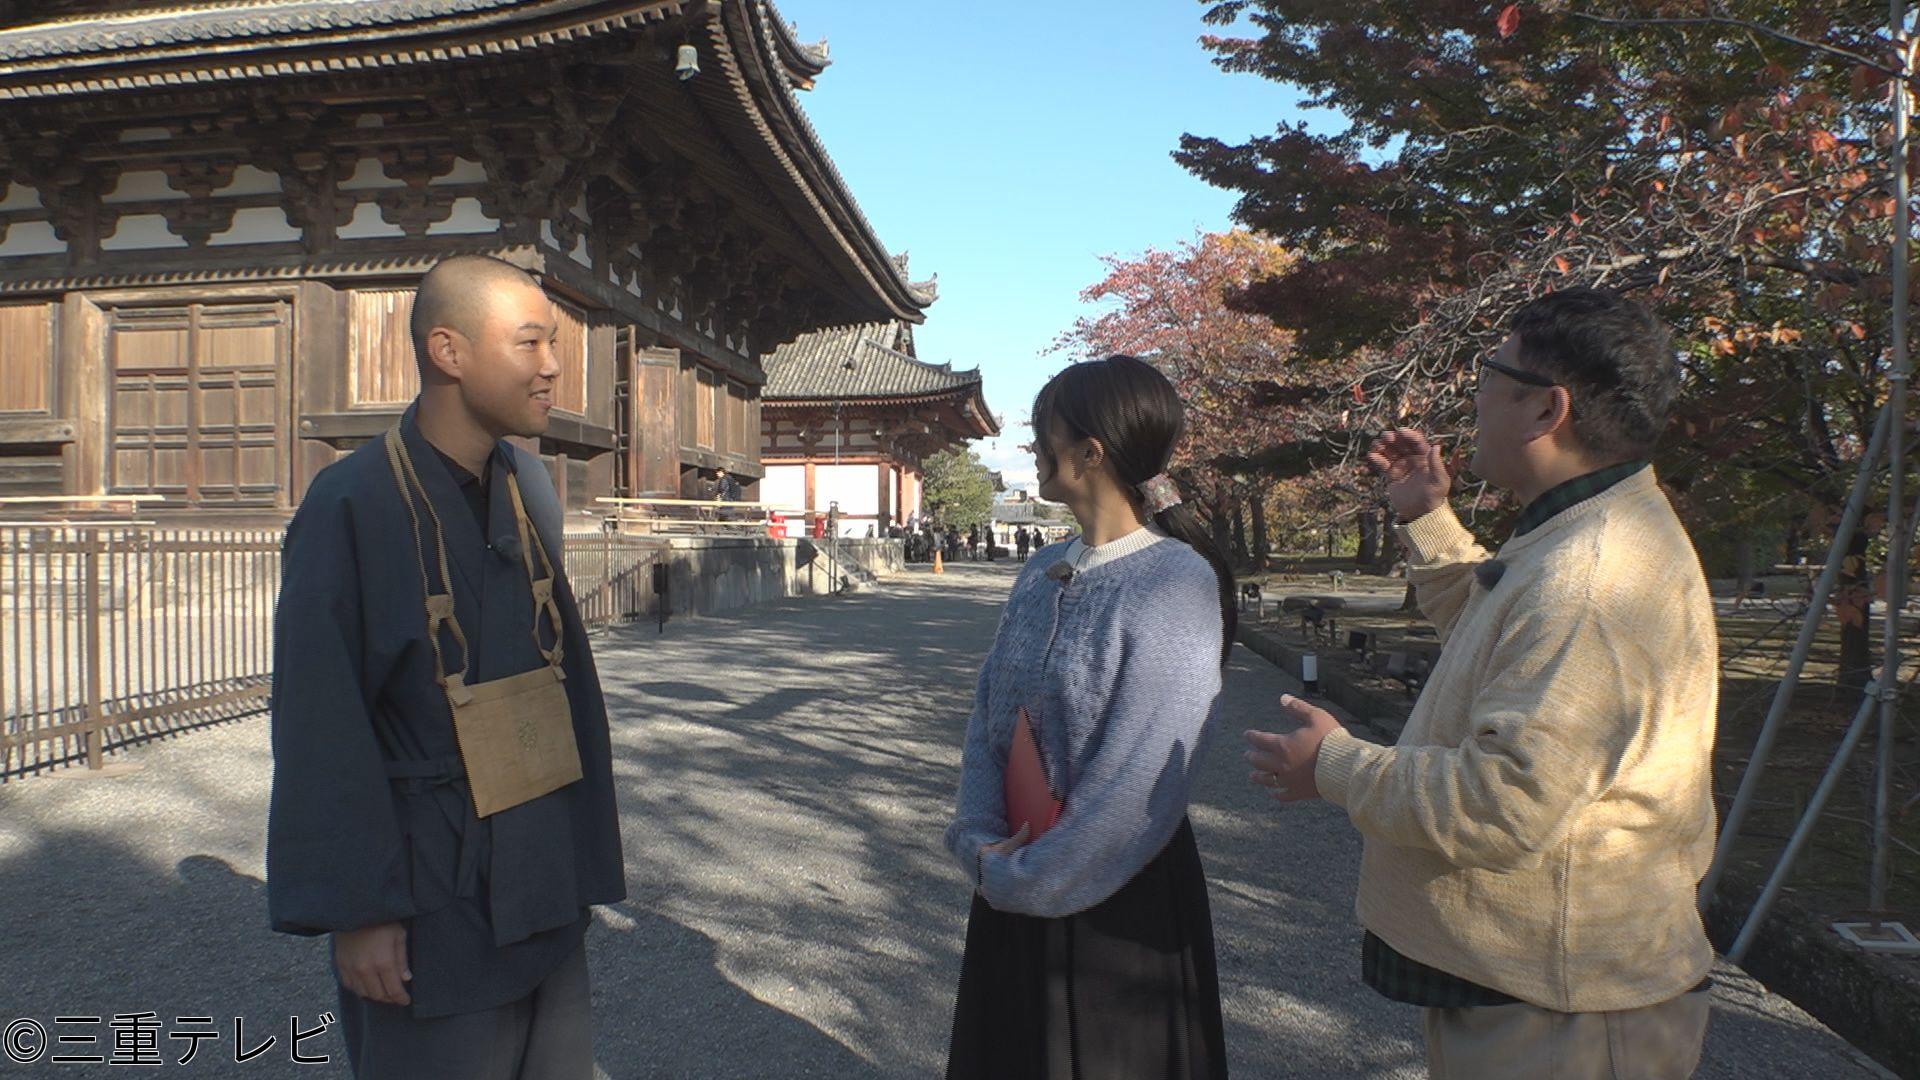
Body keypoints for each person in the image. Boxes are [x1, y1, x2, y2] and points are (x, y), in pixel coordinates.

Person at [1244, 289, 1716, 1080]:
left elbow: (1505, 800)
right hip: (1546, 990)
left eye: (1488, 376)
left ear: (1545, 410)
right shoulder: (1582, 531)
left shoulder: (1592, 575)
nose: (1474, 399)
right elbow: (1496, 630)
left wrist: (1335, 764)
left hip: (1566, 1015)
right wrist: (1429, 517)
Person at [267, 255, 626, 1080]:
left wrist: (580, 853)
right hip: (429, 885)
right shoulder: (351, 501)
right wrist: (359, 910)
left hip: (541, 862)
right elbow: (322, 721)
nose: (553, 366)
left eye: (554, 343)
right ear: (448, 351)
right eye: (529, 342)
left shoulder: (528, 485)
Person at [944, 355, 1236, 1079]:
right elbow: (990, 713)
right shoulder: (1040, 568)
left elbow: (1142, 773)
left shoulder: (1174, 580)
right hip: (1013, 868)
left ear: (1090, 452)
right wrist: (979, 841)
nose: (1032, 450)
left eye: (1044, 434)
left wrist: (1038, 876)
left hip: (1116, 892)